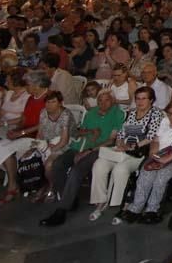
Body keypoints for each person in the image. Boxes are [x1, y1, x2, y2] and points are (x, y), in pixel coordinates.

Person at [40, 88, 125, 226]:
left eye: (107, 100)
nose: (103, 103)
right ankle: (70, 201)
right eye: (100, 100)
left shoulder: (118, 113)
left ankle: (62, 209)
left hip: (100, 149)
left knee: (76, 171)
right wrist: (90, 131)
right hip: (80, 146)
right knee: (57, 165)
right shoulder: (91, 113)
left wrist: (90, 149)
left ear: (113, 101)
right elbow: (78, 133)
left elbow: (112, 140)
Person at [116, 96, 172, 224]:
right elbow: (156, 140)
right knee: (145, 173)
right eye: (169, 113)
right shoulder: (165, 121)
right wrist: (153, 152)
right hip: (160, 155)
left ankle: (152, 210)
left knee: (161, 177)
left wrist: (168, 158)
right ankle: (136, 207)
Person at [0, 88, 74, 204]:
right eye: (47, 102)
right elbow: (40, 133)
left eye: (53, 102)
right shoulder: (44, 112)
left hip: (59, 143)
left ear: (60, 103)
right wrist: (34, 148)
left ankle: (48, 186)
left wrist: (47, 148)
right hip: (43, 141)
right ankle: (6, 185)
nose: (49, 105)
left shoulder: (65, 115)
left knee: (46, 161)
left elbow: (64, 140)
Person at [89, 86, 164, 221]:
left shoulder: (156, 114)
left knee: (120, 169)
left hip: (139, 153)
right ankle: (100, 202)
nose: (140, 102)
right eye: (137, 99)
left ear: (151, 100)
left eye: (143, 99)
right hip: (123, 151)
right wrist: (120, 143)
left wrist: (132, 146)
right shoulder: (131, 113)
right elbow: (121, 133)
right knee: (99, 164)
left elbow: (151, 137)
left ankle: (122, 205)